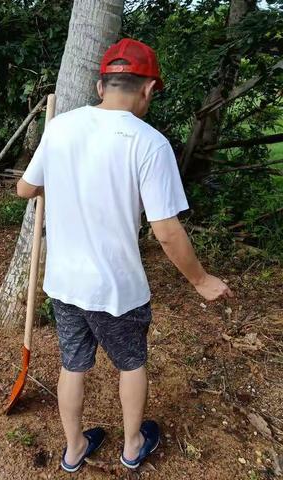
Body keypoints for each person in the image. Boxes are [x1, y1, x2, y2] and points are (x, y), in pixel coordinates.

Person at [16, 38, 233, 472]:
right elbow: (166, 231)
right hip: (116, 287)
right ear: (149, 88)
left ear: (101, 86)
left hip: (64, 281)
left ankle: (74, 448)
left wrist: (60, 179)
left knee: (72, 364)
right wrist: (202, 281)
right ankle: (132, 445)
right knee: (130, 363)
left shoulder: (61, 127)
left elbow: (25, 188)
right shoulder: (149, 143)